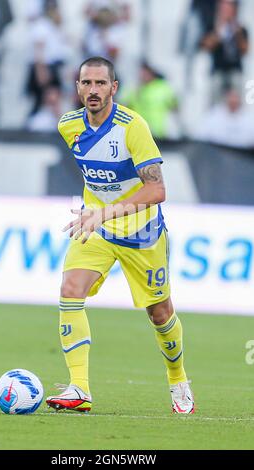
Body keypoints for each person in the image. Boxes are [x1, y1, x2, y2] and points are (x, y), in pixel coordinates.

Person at [46, 57, 194, 414]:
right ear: (77, 87)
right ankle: (79, 388)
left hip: (142, 234)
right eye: (86, 83)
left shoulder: (132, 126)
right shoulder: (68, 125)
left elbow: (157, 190)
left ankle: (178, 380)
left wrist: (106, 211)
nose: (93, 90)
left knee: (160, 314)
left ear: (114, 88)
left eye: (100, 83)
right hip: (96, 227)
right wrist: (96, 212)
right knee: (70, 291)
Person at [201, 0, 249, 103]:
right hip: (218, 69)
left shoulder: (240, 28)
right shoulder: (213, 27)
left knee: (238, 89)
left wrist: (237, 33)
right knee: (215, 92)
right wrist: (219, 32)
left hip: (235, 69)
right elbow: (205, 47)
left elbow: (245, 50)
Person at [123, 62, 178, 139]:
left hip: (158, 132)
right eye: (141, 73)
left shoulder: (162, 87)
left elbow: (174, 106)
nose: (143, 76)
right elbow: (126, 107)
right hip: (139, 132)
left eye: (145, 73)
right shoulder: (135, 89)